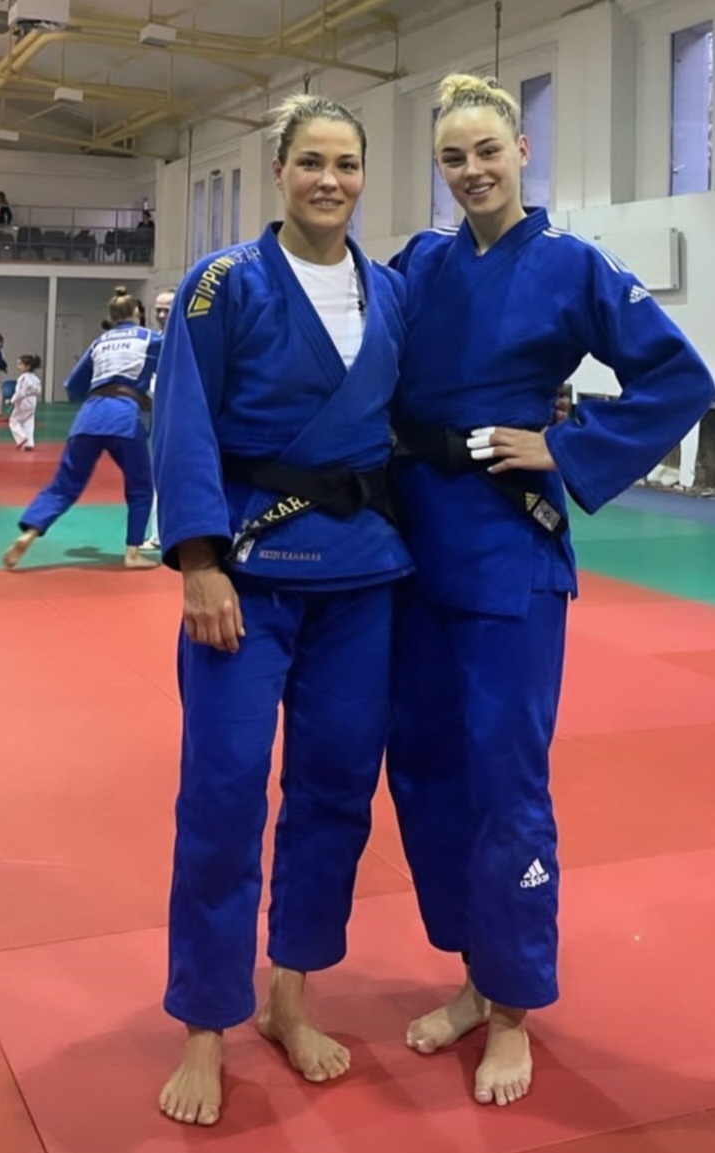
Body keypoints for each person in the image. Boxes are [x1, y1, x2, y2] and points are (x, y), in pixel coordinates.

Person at [387, 73, 715, 1109]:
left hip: (506, 550)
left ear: (523, 150)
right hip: (408, 543)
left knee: (505, 780)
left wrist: (563, 446)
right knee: (424, 768)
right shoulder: (419, 262)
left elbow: (681, 377)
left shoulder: (572, 264)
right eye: (453, 157)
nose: (471, 170)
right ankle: (472, 973)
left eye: (487, 149)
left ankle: (515, 1004)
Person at [152, 94, 411, 1127]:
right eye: (311, 162)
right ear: (279, 172)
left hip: (361, 578)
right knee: (221, 791)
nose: (329, 180)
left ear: (363, 174)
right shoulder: (224, 284)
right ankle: (204, 1023)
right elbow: (182, 421)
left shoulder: (390, 293)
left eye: (346, 163)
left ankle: (289, 996)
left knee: (335, 790)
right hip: (247, 575)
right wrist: (198, 560)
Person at [2, 286, 162, 570]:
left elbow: (73, 386)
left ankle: (30, 532)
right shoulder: (151, 338)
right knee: (140, 485)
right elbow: (176, 365)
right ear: (136, 313)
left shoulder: (99, 342)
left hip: (88, 416)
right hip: (123, 417)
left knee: (64, 484)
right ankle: (132, 552)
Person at [139, 288, 176, 552]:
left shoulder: (189, 339)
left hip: (186, 418)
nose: (162, 315)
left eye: (167, 310)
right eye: (159, 310)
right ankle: (160, 535)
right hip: (161, 419)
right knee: (160, 475)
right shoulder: (156, 342)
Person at [8, 354, 42, 450]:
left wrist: (12, 400)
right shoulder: (35, 378)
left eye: (20, 364)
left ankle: (21, 437)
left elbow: (20, 393)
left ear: (28, 366)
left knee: (14, 421)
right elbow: (39, 391)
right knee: (28, 423)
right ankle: (29, 444)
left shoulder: (23, 378)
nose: (18, 366)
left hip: (23, 402)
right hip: (32, 402)